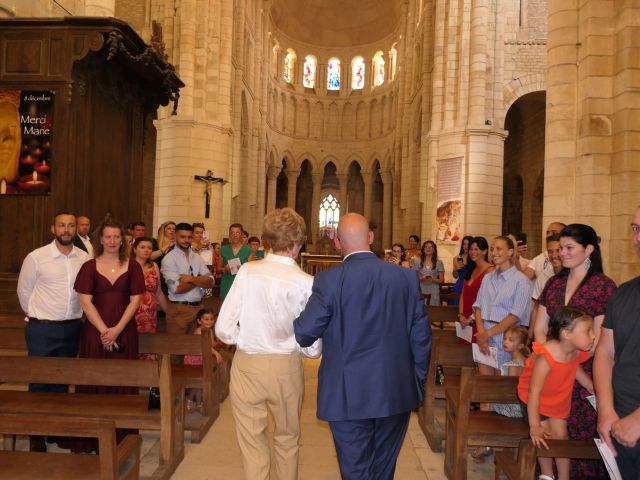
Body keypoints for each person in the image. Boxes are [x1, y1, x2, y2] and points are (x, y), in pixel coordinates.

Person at [294, 213, 431, 480]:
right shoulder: (405, 278)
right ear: (371, 238)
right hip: (395, 391)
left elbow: (305, 333)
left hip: (347, 394)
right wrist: (415, 383)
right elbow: (422, 339)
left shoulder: (329, 281)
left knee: (356, 470)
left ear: (336, 242)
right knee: (383, 469)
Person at [216, 208, 321, 480]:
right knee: (287, 440)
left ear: (266, 241)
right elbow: (313, 347)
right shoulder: (307, 283)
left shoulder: (249, 272)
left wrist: (250, 340)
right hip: (285, 367)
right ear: (298, 244)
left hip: (248, 365)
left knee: (252, 444)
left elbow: (223, 329)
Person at [533, 224, 616, 478]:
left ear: (589, 249)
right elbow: (539, 329)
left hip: (584, 376)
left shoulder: (603, 287)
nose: (562, 253)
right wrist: (552, 359)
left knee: (578, 437)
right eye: (560, 248)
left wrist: (570, 365)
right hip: (551, 371)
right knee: (550, 433)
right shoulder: (554, 284)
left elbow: (598, 340)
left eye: (569, 248)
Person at [17, 211, 88, 452]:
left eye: (71, 226)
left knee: (61, 382)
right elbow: (24, 292)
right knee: (39, 382)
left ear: (75, 230)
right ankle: (36, 433)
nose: (66, 230)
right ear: (53, 229)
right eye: (62, 226)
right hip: (42, 328)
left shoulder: (84, 257)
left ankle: (56, 430)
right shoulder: (37, 257)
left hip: (72, 328)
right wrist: (37, 317)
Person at [73, 215, 145, 453]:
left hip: (125, 331)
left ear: (123, 240)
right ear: (100, 240)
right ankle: (89, 440)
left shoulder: (132, 266)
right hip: (96, 332)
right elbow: (85, 301)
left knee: (123, 383)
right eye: (108, 237)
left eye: (117, 237)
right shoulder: (89, 267)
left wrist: (117, 330)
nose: (113, 241)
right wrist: (105, 331)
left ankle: (122, 439)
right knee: (94, 381)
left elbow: (135, 301)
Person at [518, 307, 595, 480]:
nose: (593, 336)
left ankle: (564, 477)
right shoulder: (546, 357)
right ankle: (547, 474)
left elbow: (574, 366)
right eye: (587, 331)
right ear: (567, 333)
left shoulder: (575, 350)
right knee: (544, 435)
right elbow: (534, 392)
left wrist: (590, 386)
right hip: (535, 399)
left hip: (558, 397)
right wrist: (535, 425)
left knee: (561, 436)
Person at [595, 208, 640, 478]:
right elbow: (604, 353)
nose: (638, 237)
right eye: (635, 228)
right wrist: (606, 411)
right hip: (618, 423)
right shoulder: (624, 293)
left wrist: (638, 421)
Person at [474, 236, 532, 374]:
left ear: (511, 252)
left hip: (507, 337)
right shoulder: (488, 277)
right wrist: (482, 334)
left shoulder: (521, 281)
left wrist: (488, 334)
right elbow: (478, 307)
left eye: (499, 249)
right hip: (485, 335)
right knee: (485, 384)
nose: (494, 253)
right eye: (492, 249)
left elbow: (515, 316)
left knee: (502, 385)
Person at [161, 223, 214, 334]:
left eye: (189, 237)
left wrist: (191, 279)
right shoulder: (169, 259)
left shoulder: (197, 257)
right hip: (179, 310)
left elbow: (211, 282)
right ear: (175, 237)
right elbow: (177, 289)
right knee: (177, 348)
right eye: (182, 237)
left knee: (196, 350)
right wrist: (199, 280)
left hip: (198, 309)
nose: (186, 240)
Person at [132, 236, 168, 360]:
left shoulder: (154, 266)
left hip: (149, 314)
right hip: (132, 311)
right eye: (142, 247)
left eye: (149, 248)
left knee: (148, 347)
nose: (146, 250)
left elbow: (158, 292)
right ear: (134, 249)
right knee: (132, 345)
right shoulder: (127, 265)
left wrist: (168, 311)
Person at [184, 308, 223, 413]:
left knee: (201, 382)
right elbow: (205, 346)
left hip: (202, 358)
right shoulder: (199, 331)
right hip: (194, 359)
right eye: (206, 319)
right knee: (199, 382)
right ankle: (193, 401)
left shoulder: (209, 331)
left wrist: (217, 343)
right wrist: (216, 353)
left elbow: (211, 344)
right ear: (199, 321)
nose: (209, 321)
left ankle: (196, 403)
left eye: (211, 319)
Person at [457, 236, 493, 345]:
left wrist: (471, 318)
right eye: (471, 249)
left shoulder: (490, 270)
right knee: (464, 352)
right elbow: (463, 295)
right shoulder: (470, 268)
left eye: (476, 249)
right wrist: (461, 315)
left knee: (479, 352)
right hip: (465, 319)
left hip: (480, 319)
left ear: (485, 251)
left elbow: (488, 300)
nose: (472, 252)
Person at [528, 234, 562, 335]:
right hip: (544, 332)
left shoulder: (573, 275)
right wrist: (530, 334)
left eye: (557, 250)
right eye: (550, 251)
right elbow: (536, 307)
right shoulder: (544, 276)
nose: (554, 255)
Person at [216, 223, 254, 299]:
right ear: (229, 235)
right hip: (227, 282)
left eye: (237, 233)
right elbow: (218, 269)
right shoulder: (223, 249)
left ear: (242, 234)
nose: (235, 235)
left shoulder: (249, 250)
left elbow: (251, 271)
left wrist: (243, 268)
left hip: (242, 283)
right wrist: (224, 269)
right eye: (232, 233)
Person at [419, 240, 445, 305]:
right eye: (426, 247)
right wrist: (421, 278)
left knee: (433, 312)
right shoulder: (417, 261)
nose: (428, 248)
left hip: (434, 291)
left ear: (434, 250)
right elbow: (413, 278)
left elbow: (442, 280)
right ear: (423, 249)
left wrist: (432, 279)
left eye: (431, 247)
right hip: (421, 290)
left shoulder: (439, 263)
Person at [451, 235, 474, 305]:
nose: (466, 246)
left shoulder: (474, 258)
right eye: (464, 244)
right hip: (459, 285)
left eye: (468, 244)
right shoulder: (457, 258)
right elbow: (455, 276)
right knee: (456, 308)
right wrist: (455, 269)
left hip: (471, 285)